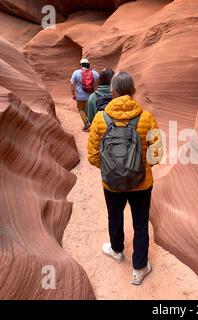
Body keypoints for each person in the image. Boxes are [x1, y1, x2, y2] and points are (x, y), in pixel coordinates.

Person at [88, 71, 162, 285]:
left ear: (112, 91)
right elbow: (156, 156)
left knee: (115, 216)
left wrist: (112, 169)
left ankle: (117, 250)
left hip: (111, 184)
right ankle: (139, 268)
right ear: (133, 91)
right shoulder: (147, 118)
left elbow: (93, 156)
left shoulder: (100, 118)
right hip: (142, 184)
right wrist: (139, 167)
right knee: (140, 224)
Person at [71, 58, 99, 132]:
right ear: (89, 65)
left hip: (81, 96)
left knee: (81, 109)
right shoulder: (94, 73)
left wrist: (74, 94)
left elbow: (72, 84)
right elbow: (99, 83)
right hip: (92, 96)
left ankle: (87, 124)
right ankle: (94, 125)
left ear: (81, 65)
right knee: (92, 110)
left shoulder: (76, 73)